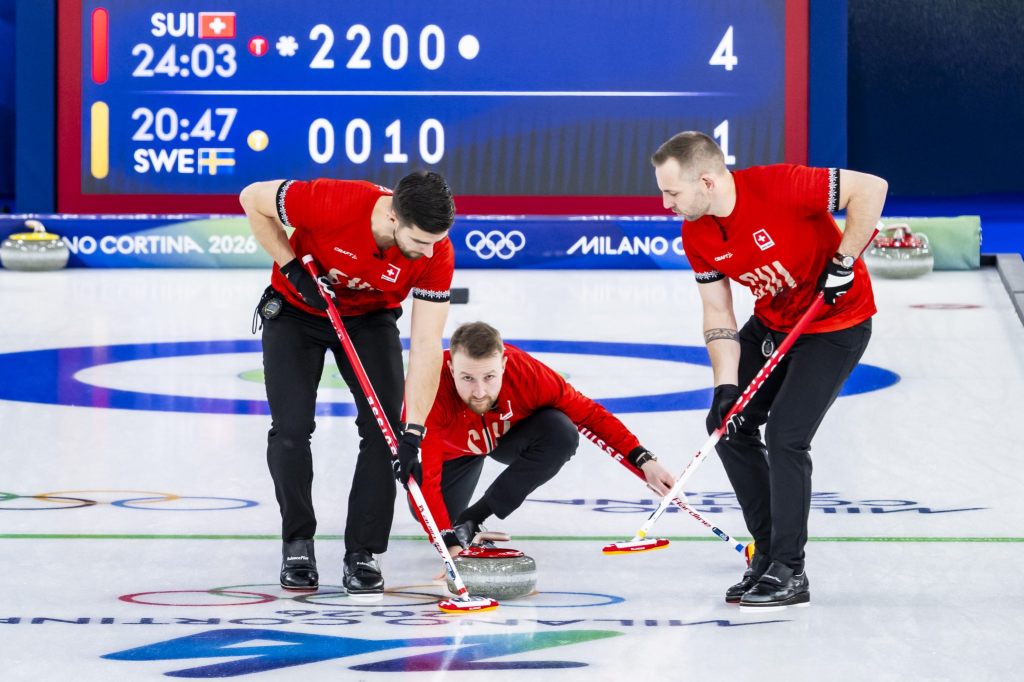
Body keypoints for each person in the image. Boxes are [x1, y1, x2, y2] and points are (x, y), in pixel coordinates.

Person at [651, 131, 887, 609]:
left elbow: (872, 188)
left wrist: (844, 259)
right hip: (774, 323)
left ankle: (790, 569)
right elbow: (718, 314)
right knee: (727, 425)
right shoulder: (696, 232)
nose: (665, 203)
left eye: (672, 192)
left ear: (707, 181)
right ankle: (766, 553)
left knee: (786, 436)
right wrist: (725, 387)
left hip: (835, 325)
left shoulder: (782, 186)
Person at [239, 171, 455, 595]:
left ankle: (363, 551)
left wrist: (414, 431)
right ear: (394, 217)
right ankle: (297, 542)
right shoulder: (334, 202)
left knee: (385, 433)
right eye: (421, 240)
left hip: (370, 319)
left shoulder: (437, 253)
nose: (430, 251)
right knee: (291, 430)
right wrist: (293, 269)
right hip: (298, 310)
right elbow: (251, 199)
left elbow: (428, 346)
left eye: (436, 241)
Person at [410, 321, 676, 557]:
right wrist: (447, 543)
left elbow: (591, 416)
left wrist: (642, 459)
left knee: (560, 431)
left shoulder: (528, 373)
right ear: (450, 366)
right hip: (454, 452)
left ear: (504, 363)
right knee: (428, 513)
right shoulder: (430, 390)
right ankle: (458, 518)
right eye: (467, 378)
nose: (479, 391)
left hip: (506, 437)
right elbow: (428, 479)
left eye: (490, 377)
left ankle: (474, 517)